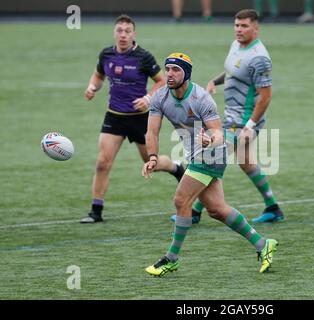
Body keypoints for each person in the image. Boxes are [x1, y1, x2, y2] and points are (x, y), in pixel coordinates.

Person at [142, 52, 278, 276]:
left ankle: (171, 258)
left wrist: (209, 140)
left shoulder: (201, 98)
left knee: (181, 199)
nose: (169, 74)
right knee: (217, 210)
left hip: (212, 153)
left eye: (176, 70)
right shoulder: (160, 96)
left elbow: (218, 133)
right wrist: (153, 158)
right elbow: (152, 131)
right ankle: (263, 244)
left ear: (186, 74)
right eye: (167, 69)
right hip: (194, 154)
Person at [170, 9, 285, 225]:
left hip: (243, 122)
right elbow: (233, 71)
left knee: (211, 157)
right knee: (246, 163)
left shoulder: (260, 58)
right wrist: (215, 80)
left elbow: (266, 96)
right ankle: (273, 207)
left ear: (255, 28)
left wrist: (250, 125)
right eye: (236, 25)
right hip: (232, 117)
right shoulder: (236, 45)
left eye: (244, 26)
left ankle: (194, 211)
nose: (239, 30)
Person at [80, 15, 185, 224]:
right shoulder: (106, 54)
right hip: (115, 117)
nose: (123, 35)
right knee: (102, 163)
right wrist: (92, 87)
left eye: (127, 31)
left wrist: (147, 97)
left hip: (139, 118)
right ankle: (96, 211)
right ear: (114, 32)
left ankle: (176, 167)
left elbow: (162, 82)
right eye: (119, 30)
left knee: (150, 163)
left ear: (133, 34)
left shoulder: (143, 57)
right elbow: (98, 75)